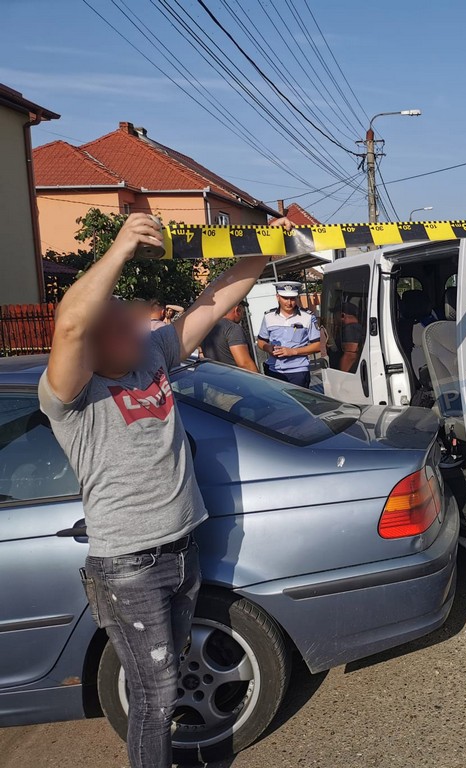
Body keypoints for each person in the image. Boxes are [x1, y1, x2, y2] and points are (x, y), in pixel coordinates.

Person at [39, 212, 293, 768]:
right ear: (90, 346)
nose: (137, 328)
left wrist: (268, 245)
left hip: (181, 548)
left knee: (170, 678)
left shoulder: (151, 356)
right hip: (129, 566)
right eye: (120, 326)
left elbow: (214, 300)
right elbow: (70, 324)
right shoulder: (70, 395)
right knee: (154, 698)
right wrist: (122, 249)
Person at [256, 281, 320, 387]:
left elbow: (318, 345)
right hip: (274, 370)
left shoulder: (307, 317)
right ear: (277, 297)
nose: (289, 303)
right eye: (285, 298)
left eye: (292, 298)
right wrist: (268, 348)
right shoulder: (268, 317)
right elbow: (261, 341)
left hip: (298, 371)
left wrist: (293, 351)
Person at [200, 302, 257, 371]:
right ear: (237, 310)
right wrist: (261, 381)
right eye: (243, 311)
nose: (242, 315)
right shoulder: (232, 328)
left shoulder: (206, 328)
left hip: (215, 377)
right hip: (235, 378)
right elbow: (245, 364)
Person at [323, 301, 363, 372]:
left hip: (345, 376)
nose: (333, 318)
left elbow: (350, 356)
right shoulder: (352, 328)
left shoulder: (351, 329)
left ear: (342, 316)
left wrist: (341, 377)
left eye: (335, 315)